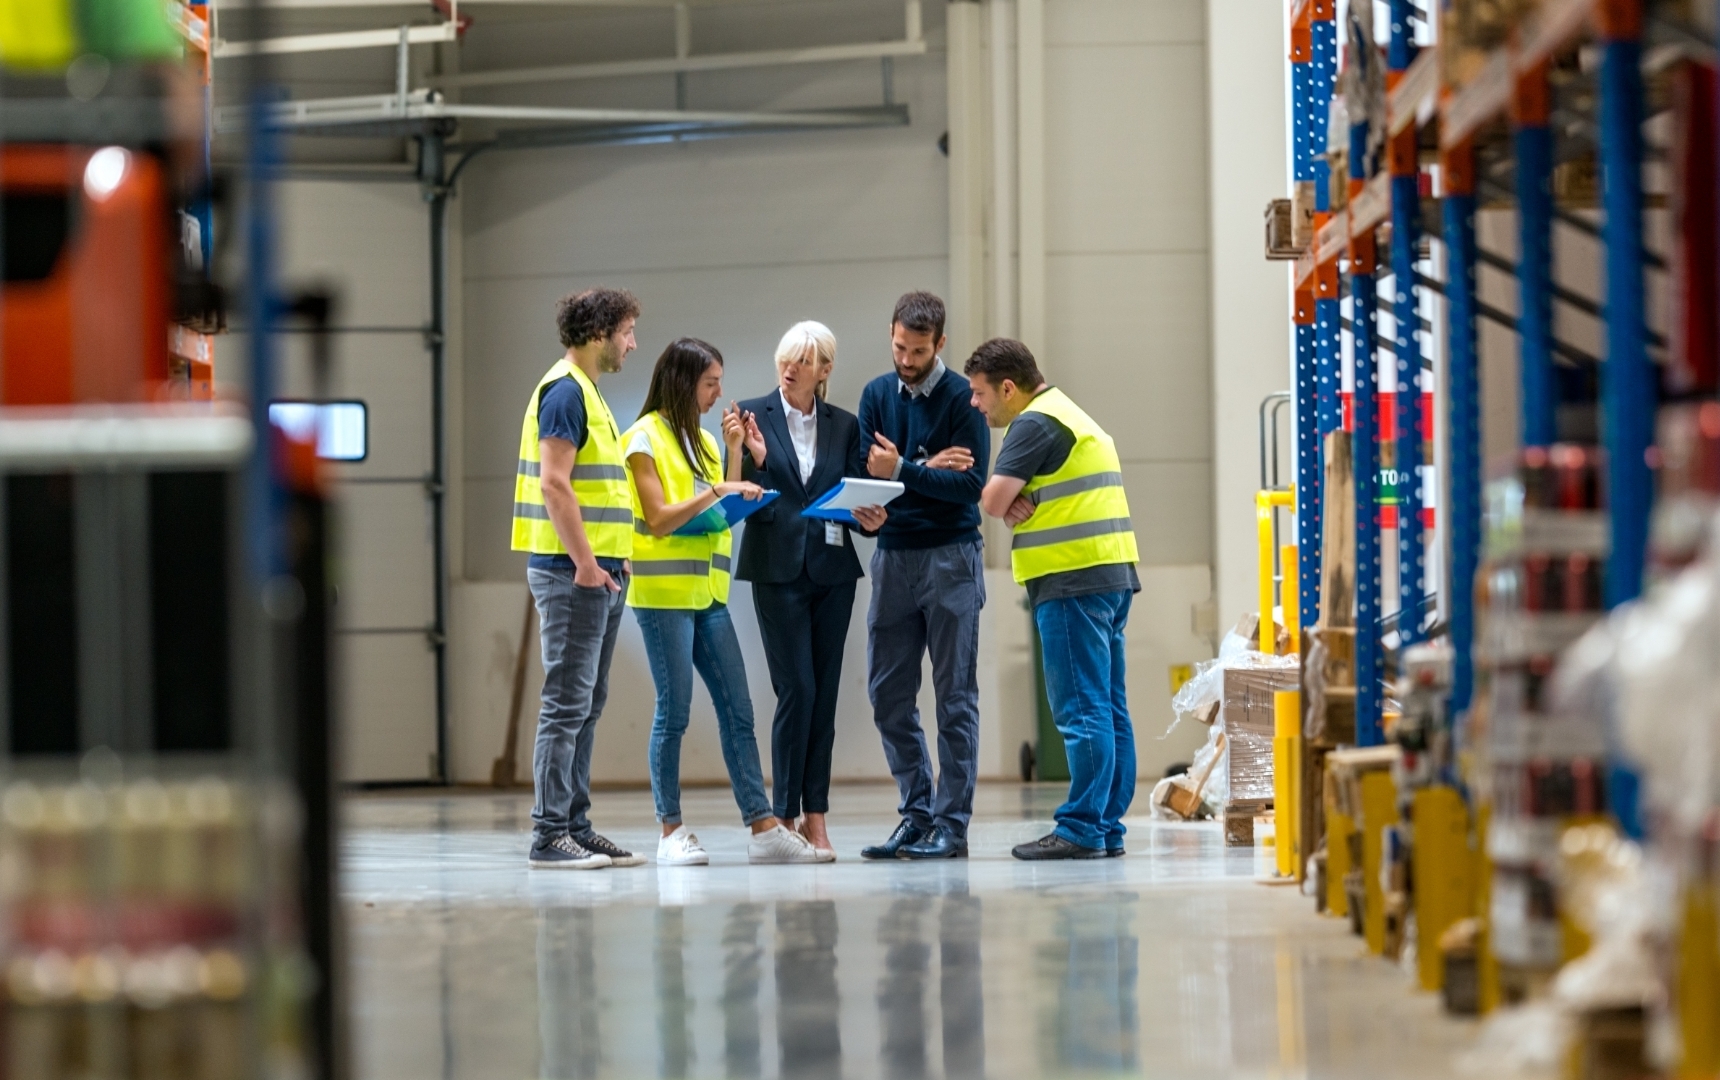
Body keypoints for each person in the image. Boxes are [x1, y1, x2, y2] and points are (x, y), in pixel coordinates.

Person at [623, 337, 829, 865]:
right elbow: (659, 518)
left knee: (739, 710)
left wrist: (734, 456)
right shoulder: (642, 439)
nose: (719, 393)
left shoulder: (704, 442)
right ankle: (671, 830)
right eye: (711, 382)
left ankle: (763, 829)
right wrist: (719, 492)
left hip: (710, 596)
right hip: (664, 597)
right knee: (674, 713)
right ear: (683, 382)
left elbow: (721, 505)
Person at [964, 337, 1141, 860]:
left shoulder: (1033, 423)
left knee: (1081, 709)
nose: (976, 404)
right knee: (1109, 707)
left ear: (1009, 388)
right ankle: (1106, 826)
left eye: (980, 394)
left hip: (1070, 582)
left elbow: (992, 500)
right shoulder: (1073, 414)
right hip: (1111, 574)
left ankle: (1081, 828)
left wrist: (1003, 496)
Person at [729, 322, 888, 859]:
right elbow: (745, 489)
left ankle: (816, 817)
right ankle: (784, 814)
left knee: (823, 697)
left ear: (825, 370)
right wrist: (753, 456)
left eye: (803, 360)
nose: (790, 368)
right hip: (776, 567)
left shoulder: (844, 426)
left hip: (833, 570)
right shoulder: (752, 414)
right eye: (785, 359)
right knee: (796, 688)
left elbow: (854, 498)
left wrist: (874, 516)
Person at [513, 287, 647, 870]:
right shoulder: (566, 392)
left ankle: (575, 825)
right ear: (599, 334)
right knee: (566, 704)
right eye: (626, 331)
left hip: (599, 573)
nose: (632, 343)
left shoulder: (588, 393)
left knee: (586, 703)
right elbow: (553, 483)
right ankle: (549, 835)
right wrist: (588, 563)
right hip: (573, 573)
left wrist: (608, 560)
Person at [855, 292, 990, 860]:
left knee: (953, 696)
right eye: (898, 347)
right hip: (891, 557)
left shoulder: (964, 398)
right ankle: (915, 814)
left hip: (951, 557)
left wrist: (904, 470)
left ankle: (951, 824)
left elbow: (971, 487)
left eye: (917, 350)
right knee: (887, 693)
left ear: (940, 344)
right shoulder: (876, 395)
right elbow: (868, 474)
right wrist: (880, 502)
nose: (905, 359)